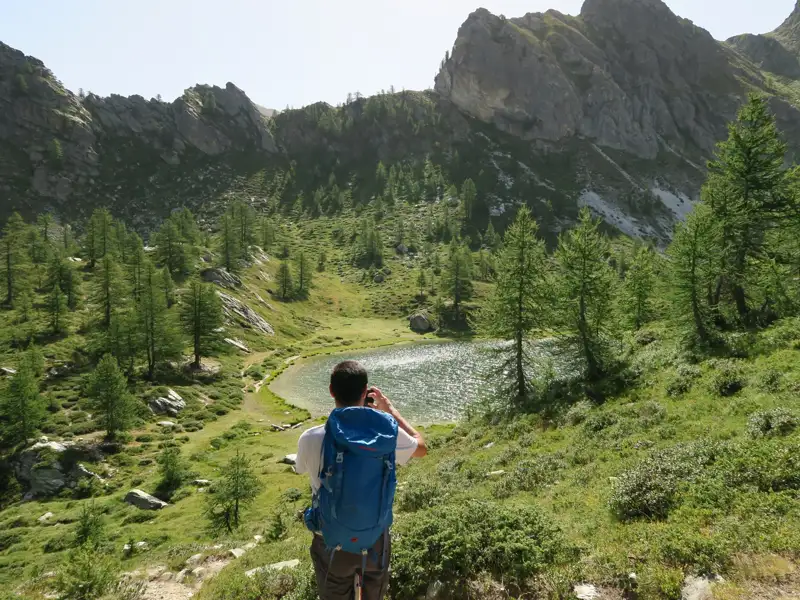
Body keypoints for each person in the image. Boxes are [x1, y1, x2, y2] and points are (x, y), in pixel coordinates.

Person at [295, 360, 427, 600]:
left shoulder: (310, 438)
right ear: (366, 391)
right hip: (375, 538)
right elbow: (421, 446)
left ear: (331, 391)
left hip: (330, 539)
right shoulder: (386, 433)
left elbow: (300, 469)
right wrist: (390, 411)